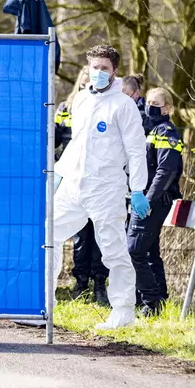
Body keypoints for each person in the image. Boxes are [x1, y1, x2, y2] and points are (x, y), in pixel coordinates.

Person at [52, 44, 149, 330]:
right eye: (94, 68)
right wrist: (59, 173)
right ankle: (44, 300)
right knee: (48, 235)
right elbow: (77, 142)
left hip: (106, 188)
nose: (98, 73)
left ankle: (122, 310)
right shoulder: (80, 100)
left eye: (104, 69)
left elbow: (135, 150)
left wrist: (138, 189)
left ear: (114, 71)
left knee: (113, 250)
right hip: (73, 184)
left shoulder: (123, 105)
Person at [127, 87, 184, 317]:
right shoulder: (149, 129)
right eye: (148, 101)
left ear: (168, 108)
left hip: (155, 201)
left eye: (156, 103)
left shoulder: (166, 132)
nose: (150, 106)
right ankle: (157, 301)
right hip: (143, 198)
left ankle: (151, 301)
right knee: (149, 252)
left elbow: (166, 169)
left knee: (134, 250)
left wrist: (148, 200)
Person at [55, 66, 109, 305]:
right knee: (78, 237)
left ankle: (100, 285)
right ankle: (80, 283)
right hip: (69, 179)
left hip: (97, 180)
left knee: (98, 235)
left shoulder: (105, 107)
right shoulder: (65, 109)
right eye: (85, 79)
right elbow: (52, 139)